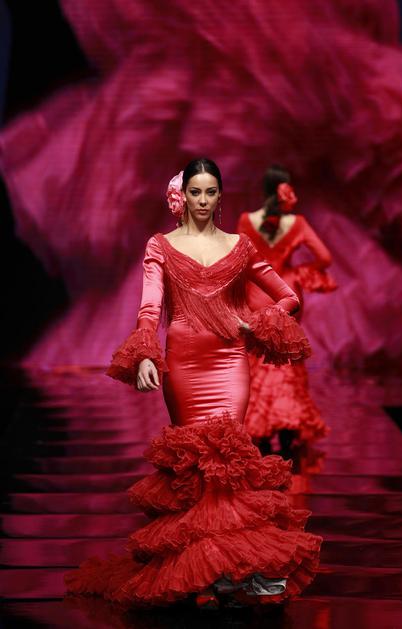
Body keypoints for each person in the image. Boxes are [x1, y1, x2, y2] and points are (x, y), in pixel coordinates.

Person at [65, 158, 321, 609]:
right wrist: (146, 354)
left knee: (228, 459)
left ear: (221, 196)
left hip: (230, 362)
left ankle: (227, 569)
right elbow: (150, 308)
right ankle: (207, 568)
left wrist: (257, 322)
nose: (203, 200)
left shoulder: (239, 246)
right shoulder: (161, 246)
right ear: (183, 195)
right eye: (196, 192)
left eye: (211, 192)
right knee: (195, 465)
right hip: (185, 364)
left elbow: (289, 296)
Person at [237, 165, 337, 452]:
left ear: (264, 191)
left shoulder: (246, 220)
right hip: (287, 293)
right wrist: (297, 272)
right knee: (287, 361)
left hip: (255, 295)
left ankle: (258, 427)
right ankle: (286, 422)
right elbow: (325, 257)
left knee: (257, 361)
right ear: (286, 190)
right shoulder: (298, 223)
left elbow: (237, 259)